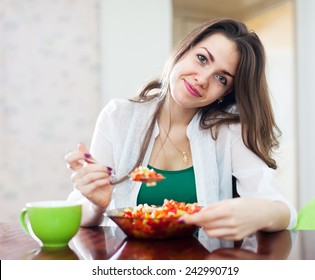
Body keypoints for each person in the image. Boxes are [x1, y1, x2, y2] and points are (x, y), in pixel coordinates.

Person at [65, 18, 297, 241]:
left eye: (221, 78)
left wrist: (257, 213)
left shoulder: (230, 130)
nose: (203, 79)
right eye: (202, 59)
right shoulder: (118, 116)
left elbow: (283, 210)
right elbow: (83, 215)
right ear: (183, 50)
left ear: (225, 94)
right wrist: (97, 203)